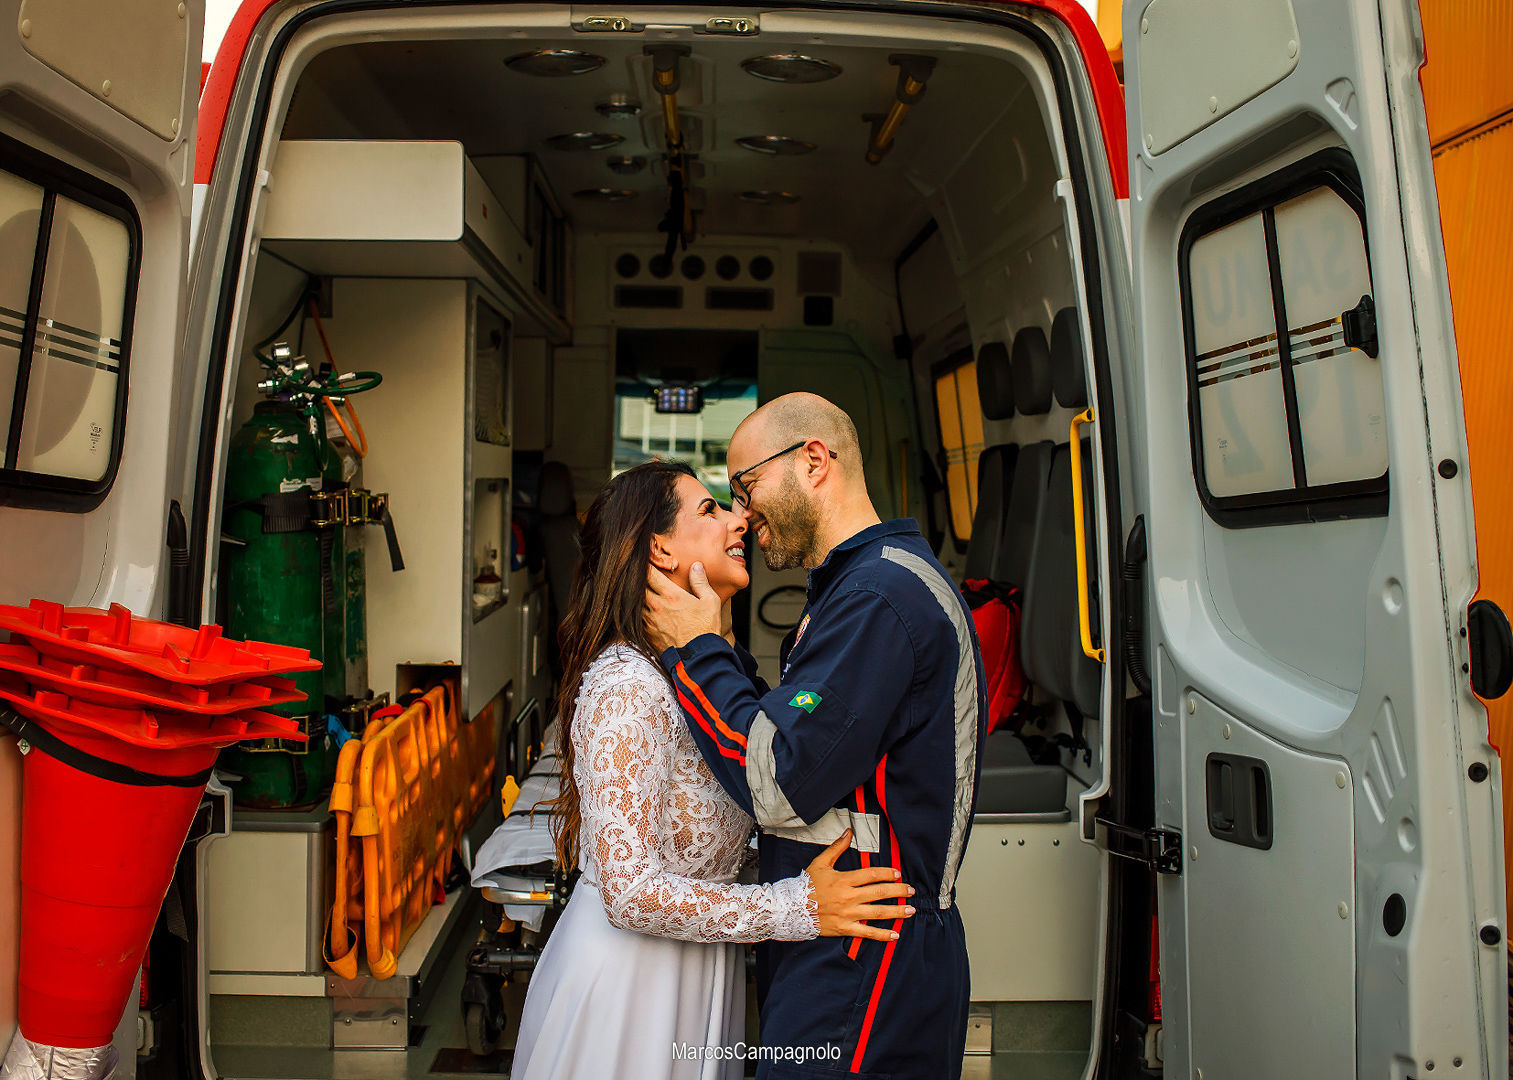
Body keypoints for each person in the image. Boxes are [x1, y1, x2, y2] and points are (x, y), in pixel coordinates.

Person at [512, 460, 916, 1080]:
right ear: (661, 550)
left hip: (702, 968)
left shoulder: (696, 675)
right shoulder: (627, 687)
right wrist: (798, 907)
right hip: (628, 986)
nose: (739, 519)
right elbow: (629, 893)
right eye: (711, 509)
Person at [645, 393, 986, 1080]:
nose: (742, 514)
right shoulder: (861, 584)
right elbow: (799, 732)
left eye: (746, 487)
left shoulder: (877, 599)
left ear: (813, 460)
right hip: (842, 931)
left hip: (867, 954)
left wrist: (698, 650)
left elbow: (777, 780)